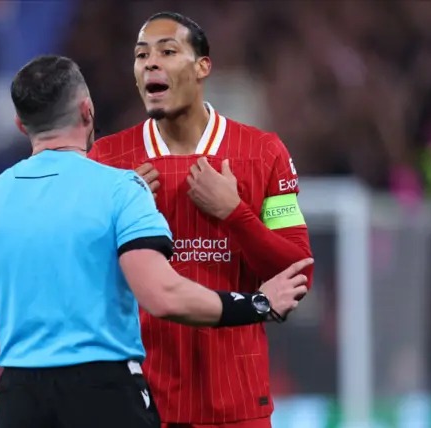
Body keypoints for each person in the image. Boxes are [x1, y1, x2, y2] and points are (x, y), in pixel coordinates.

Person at [0, 55, 312, 428]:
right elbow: (163, 296)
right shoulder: (120, 189)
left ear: (22, 125)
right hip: (104, 389)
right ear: (87, 111)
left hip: (21, 397)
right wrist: (258, 304)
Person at [87, 12, 315, 428]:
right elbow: (80, 276)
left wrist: (235, 214)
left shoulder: (263, 152)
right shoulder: (107, 160)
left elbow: (297, 274)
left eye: (168, 51)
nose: (150, 64)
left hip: (238, 402)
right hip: (138, 404)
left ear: (202, 66)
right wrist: (116, 215)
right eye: (141, 56)